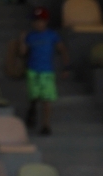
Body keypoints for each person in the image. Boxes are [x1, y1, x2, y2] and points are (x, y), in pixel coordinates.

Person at [18, 7, 67, 135]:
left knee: (46, 98)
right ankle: (32, 109)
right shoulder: (30, 36)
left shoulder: (52, 35)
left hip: (46, 71)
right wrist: (22, 40)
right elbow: (23, 53)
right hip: (33, 70)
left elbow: (61, 49)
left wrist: (66, 66)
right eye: (35, 21)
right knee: (34, 95)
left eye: (41, 21)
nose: (38, 23)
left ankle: (46, 125)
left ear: (46, 21)